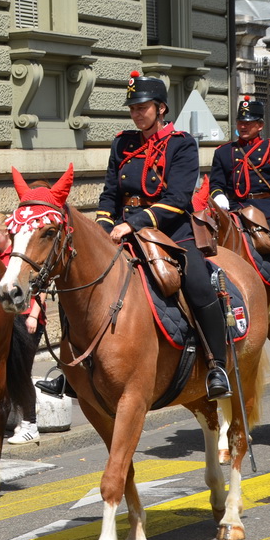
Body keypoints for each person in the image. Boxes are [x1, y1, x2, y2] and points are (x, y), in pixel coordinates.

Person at [40, 70, 230, 401]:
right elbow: (110, 194)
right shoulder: (122, 143)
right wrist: (102, 228)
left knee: (198, 282)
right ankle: (72, 370)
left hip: (171, 231)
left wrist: (136, 223)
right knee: (80, 280)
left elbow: (178, 199)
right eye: (133, 108)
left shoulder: (182, 144)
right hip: (121, 230)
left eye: (142, 107)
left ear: (160, 108)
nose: (136, 113)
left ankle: (217, 365)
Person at [209, 96, 270, 315]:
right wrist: (218, 196)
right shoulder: (224, 152)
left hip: (266, 207)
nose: (243, 126)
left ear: (260, 125)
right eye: (240, 122)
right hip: (235, 206)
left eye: (249, 122)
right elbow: (215, 183)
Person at [0, 212, 46, 445]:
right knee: (9, 371)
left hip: (26, 317)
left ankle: (31, 424)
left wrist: (34, 315)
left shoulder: (20, 254)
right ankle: (18, 418)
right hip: (6, 319)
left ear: (6, 232)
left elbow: (41, 286)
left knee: (22, 372)